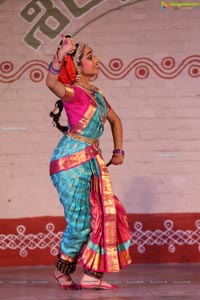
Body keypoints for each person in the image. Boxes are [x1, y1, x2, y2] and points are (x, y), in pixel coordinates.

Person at [46, 35, 132, 290]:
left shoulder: (98, 95)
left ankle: (92, 275)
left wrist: (119, 150)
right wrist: (61, 55)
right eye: (90, 57)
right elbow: (51, 81)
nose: (97, 61)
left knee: (104, 213)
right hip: (71, 161)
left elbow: (116, 120)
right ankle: (62, 271)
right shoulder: (72, 93)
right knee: (81, 222)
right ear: (76, 66)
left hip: (92, 160)